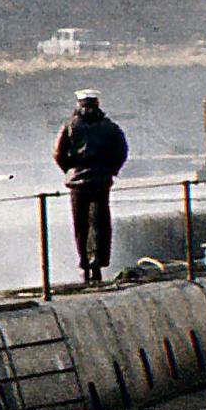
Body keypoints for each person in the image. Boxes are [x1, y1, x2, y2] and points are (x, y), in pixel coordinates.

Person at [53, 89, 129, 284]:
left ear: (79, 104)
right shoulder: (109, 127)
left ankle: (85, 266)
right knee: (100, 224)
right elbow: (122, 151)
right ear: (97, 104)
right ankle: (97, 265)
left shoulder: (69, 126)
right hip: (101, 181)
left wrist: (70, 171)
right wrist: (111, 170)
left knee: (81, 226)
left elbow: (58, 154)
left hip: (78, 183)